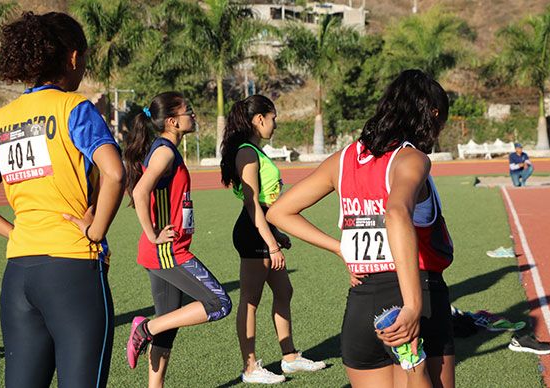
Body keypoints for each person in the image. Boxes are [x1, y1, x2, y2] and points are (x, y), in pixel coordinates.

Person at [267, 70, 455, 388]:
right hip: (417, 293)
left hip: (362, 303)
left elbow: (280, 212)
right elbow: (396, 213)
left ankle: (413, 362)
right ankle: (414, 363)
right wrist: (411, 306)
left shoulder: (343, 160)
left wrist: (340, 247)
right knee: (417, 375)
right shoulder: (412, 159)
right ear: (433, 114)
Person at [0, 12, 124, 388]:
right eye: (85, 60)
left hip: (19, 275)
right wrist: (96, 229)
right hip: (72, 268)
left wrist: (11, 230)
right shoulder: (75, 108)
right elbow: (115, 172)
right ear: (73, 57)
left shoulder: (2, 120)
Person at [123, 92, 232, 388]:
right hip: (167, 251)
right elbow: (139, 192)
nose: (193, 115)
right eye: (189, 112)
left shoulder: (167, 149)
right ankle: (145, 327)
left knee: (168, 325)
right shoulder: (165, 151)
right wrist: (152, 234)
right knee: (219, 303)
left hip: (163, 251)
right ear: (172, 121)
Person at [220, 95, 325, 384]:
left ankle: (289, 357)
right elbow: (252, 204)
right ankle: (250, 367)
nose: (275, 123)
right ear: (259, 119)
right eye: (273, 117)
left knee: (284, 291)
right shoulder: (247, 153)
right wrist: (272, 243)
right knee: (251, 300)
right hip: (253, 230)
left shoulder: (256, 150)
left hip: (264, 228)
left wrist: (276, 234)